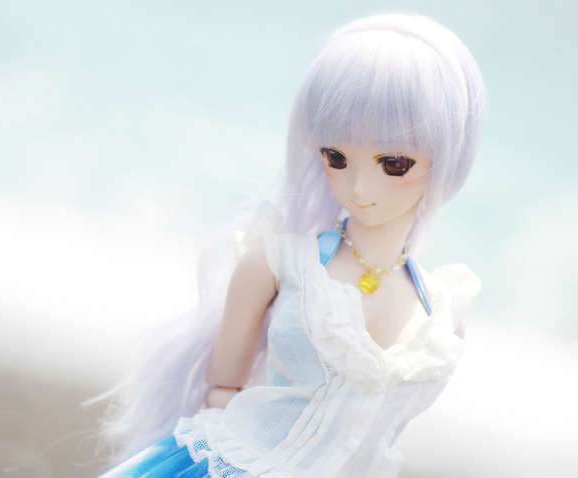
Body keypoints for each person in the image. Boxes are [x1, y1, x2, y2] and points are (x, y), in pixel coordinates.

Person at [94, 12, 485, 478]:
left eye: (394, 163)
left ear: (448, 158)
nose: (360, 187)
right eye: (336, 157)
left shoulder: (443, 315)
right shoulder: (278, 263)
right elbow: (223, 390)